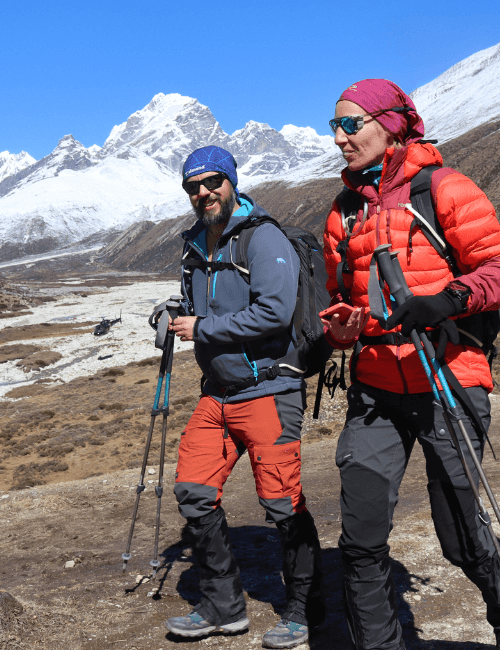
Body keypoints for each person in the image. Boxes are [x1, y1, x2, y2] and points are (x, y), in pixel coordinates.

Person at [321, 80, 500, 650]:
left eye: (350, 124)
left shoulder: (443, 189)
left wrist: (445, 300)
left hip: (448, 378)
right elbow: (346, 303)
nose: (339, 138)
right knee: (361, 540)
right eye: (334, 127)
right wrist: (345, 328)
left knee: (462, 536)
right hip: (375, 388)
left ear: (391, 123)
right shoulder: (342, 215)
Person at [164, 145, 324, 649]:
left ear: (232, 181)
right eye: (193, 187)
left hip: (268, 390)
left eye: (212, 183)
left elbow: (275, 312)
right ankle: (223, 606)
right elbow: (202, 305)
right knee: (193, 490)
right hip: (219, 393)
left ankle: (302, 609)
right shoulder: (196, 244)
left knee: (282, 502)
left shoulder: (263, 238)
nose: (203, 193)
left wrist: (204, 328)